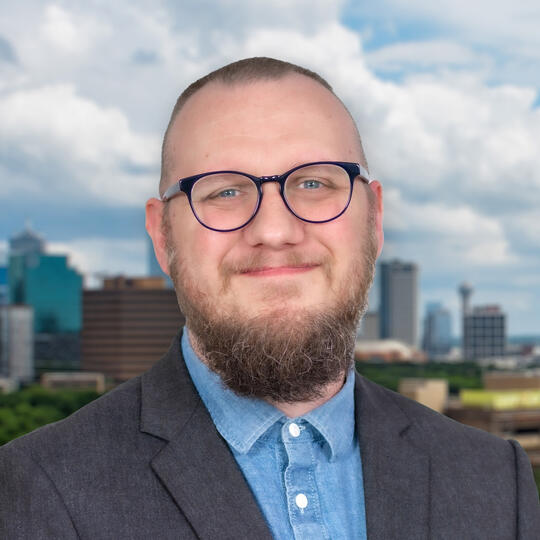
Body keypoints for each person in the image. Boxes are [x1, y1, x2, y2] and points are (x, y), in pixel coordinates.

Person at [0, 57, 538, 539]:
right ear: (162, 238)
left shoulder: (495, 479)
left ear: (374, 220)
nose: (275, 231)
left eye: (314, 184)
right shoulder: (34, 489)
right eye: (225, 191)